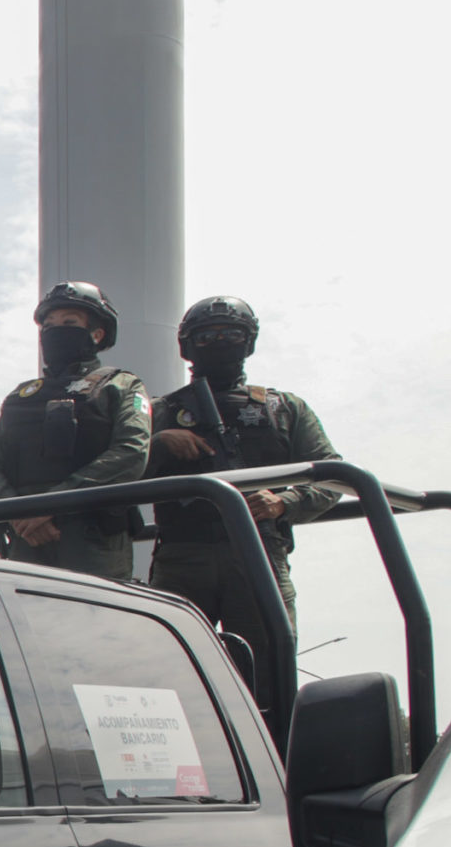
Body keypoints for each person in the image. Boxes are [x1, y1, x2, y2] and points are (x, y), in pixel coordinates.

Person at [144, 296, 343, 702]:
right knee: (167, 678)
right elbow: (115, 471)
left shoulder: (282, 408)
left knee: (266, 679)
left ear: (247, 343)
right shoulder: (159, 412)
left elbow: (334, 477)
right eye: (207, 336)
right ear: (188, 345)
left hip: (258, 552)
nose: (219, 342)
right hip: (182, 555)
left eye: (231, 334)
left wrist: (284, 501)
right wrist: (157, 444)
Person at [0, 281, 153, 580]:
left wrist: (53, 504)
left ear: (96, 334)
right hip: (25, 539)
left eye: (69, 322)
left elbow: (131, 452)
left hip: (92, 542)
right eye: (49, 325)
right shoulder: (21, 396)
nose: (56, 330)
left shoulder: (121, 385)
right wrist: (17, 513)